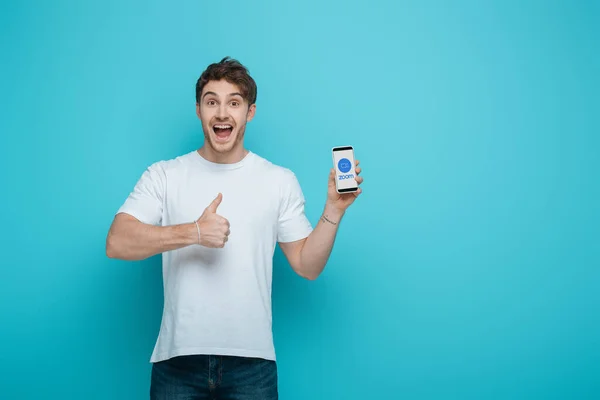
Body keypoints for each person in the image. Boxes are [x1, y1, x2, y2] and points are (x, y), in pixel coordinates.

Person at [105, 57, 363, 399]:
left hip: (252, 367)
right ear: (198, 110)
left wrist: (334, 210)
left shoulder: (278, 180)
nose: (222, 113)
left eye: (234, 103)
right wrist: (194, 231)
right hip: (178, 363)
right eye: (212, 101)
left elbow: (307, 265)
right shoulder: (164, 175)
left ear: (249, 112)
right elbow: (117, 241)